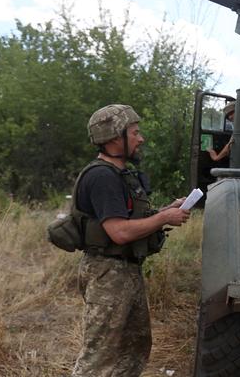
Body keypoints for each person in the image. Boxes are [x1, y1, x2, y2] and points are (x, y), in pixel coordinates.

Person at [72, 104, 190, 377]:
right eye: (135, 133)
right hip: (108, 274)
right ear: (115, 138)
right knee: (99, 357)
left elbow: (127, 223)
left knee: (133, 348)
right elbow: (119, 232)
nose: (141, 139)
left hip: (124, 271)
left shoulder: (119, 174)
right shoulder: (102, 176)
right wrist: (163, 219)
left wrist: (166, 211)